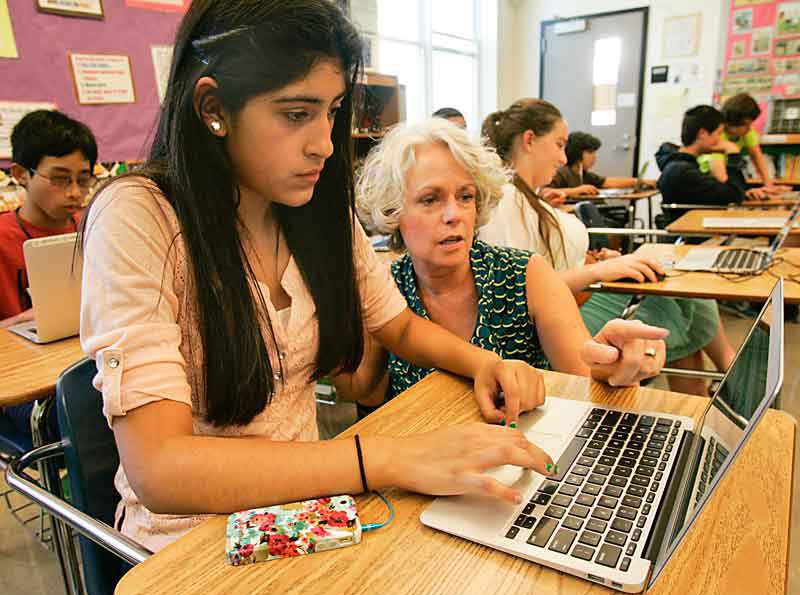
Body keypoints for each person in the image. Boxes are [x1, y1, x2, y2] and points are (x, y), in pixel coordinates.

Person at [79, 0, 554, 553]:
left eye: (331, 112)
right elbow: (160, 470)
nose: (324, 144)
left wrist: (487, 363)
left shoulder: (314, 207)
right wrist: (387, 457)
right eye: (296, 114)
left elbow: (396, 325)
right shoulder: (140, 215)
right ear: (213, 108)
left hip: (315, 512)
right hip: (192, 543)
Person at [337, 118, 667, 414]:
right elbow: (365, 393)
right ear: (394, 211)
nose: (454, 214)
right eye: (430, 199)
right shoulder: (384, 288)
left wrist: (613, 364)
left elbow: (584, 380)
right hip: (427, 466)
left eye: (465, 196)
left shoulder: (526, 275)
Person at [479, 98, 736, 396]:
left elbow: (545, 262)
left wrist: (596, 260)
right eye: (560, 144)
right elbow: (521, 288)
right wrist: (603, 268)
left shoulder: (527, 197)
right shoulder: (507, 199)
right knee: (676, 296)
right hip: (560, 313)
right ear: (529, 140)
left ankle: (706, 389)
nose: (564, 158)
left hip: (576, 292)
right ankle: (723, 376)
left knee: (678, 287)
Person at [0, 109, 97, 442]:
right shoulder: (3, 239)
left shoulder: (95, 228)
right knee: (92, 410)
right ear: (20, 174)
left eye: (83, 179)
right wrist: (24, 320)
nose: (74, 192)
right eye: (59, 179)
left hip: (83, 363)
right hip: (26, 392)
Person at [655, 105, 749, 225]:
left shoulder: (682, 165)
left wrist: (744, 192)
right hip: (693, 236)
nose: (720, 140)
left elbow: (731, 193)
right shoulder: (683, 171)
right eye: (718, 134)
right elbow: (734, 196)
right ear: (703, 133)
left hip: (697, 230)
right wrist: (733, 154)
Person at [706, 93, 790, 196]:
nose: (750, 128)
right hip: (709, 178)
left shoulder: (747, 132)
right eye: (746, 124)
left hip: (729, 174)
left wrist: (769, 185)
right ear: (732, 123)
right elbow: (719, 174)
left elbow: (757, 157)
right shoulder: (718, 135)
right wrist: (740, 194)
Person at [545, 131, 655, 199]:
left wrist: (639, 181)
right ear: (577, 152)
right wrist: (577, 190)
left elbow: (607, 182)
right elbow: (545, 192)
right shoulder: (562, 172)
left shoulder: (583, 174)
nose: (594, 157)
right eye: (590, 152)